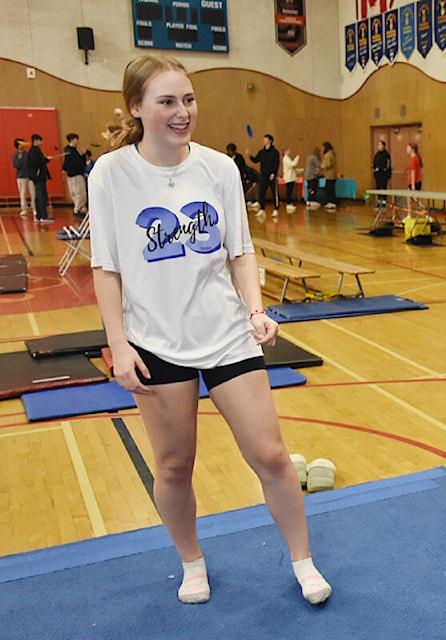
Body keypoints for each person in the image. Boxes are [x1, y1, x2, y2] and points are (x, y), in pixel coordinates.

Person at [87, 55, 332, 606]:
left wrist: (255, 310)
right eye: (167, 102)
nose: (182, 112)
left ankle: (303, 560)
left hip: (226, 336)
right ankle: (191, 562)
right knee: (174, 465)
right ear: (136, 108)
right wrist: (120, 345)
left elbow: (240, 252)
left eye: (189, 100)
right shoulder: (111, 174)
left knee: (270, 456)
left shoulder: (220, 169)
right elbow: (107, 268)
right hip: (155, 344)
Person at [248, 134, 280, 212]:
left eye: (265, 139)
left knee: (274, 192)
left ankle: (276, 208)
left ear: (270, 141)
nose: (264, 141)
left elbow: (276, 163)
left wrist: (273, 173)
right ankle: (262, 209)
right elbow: (256, 160)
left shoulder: (275, 152)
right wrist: (250, 156)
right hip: (263, 175)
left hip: (271, 175)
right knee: (261, 192)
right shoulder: (261, 152)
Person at [26, 133, 53, 223]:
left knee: (39, 196)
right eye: (40, 140)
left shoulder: (36, 150)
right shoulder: (33, 151)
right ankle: (43, 216)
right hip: (38, 177)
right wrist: (46, 160)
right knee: (41, 196)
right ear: (35, 141)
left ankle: (39, 215)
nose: (42, 142)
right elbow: (37, 162)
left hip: (39, 177)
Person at [63, 133, 88, 217]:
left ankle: (79, 208)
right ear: (72, 140)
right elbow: (74, 162)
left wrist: (83, 155)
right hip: (75, 174)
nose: (77, 141)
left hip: (74, 174)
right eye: (76, 139)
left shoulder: (73, 151)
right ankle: (77, 209)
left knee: (78, 193)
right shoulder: (69, 151)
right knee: (79, 193)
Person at [12, 138, 35, 217]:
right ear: (18, 146)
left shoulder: (27, 154)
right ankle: (24, 209)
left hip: (29, 176)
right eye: (21, 144)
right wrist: (20, 159)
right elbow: (16, 165)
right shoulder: (15, 155)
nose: (23, 145)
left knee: (33, 192)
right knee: (23, 193)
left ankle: (34, 208)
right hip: (21, 176)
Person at [372, 140, 391, 208]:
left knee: (384, 187)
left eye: (380, 145)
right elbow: (374, 163)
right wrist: (375, 168)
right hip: (377, 175)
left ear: (383, 146)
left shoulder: (386, 155)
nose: (378, 146)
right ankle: (379, 201)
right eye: (378, 145)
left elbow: (387, 165)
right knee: (378, 187)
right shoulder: (377, 155)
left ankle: (384, 201)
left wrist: (381, 168)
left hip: (384, 174)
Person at [319, 141, 337, 210]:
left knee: (329, 189)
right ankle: (332, 201)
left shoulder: (328, 155)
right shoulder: (333, 154)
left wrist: (322, 166)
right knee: (331, 188)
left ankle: (331, 201)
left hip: (329, 175)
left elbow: (328, 164)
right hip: (332, 175)